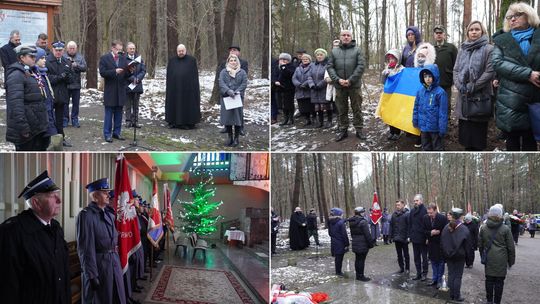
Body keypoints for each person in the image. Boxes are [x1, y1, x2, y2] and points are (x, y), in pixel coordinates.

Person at [0, 171, 70, 303]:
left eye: (57, 195)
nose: (59, 200)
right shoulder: (12, 232)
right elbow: (7, 286)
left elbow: (63, 273)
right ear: (36, 203)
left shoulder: (55, 227)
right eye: (52, 196)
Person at [492, 2, 540, 151]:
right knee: (512, 141)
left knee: (530, 142)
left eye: (517, 15)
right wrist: (528, 74)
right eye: (509, 17)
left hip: (535, 97)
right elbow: (498, 63)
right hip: (510, 99)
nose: (512, 19)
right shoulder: (502, 40)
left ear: (529, 16)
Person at [77, 178, 127, 304]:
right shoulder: (86, 216)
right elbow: (86, 248)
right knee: (102, 299)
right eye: (104, 192)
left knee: (118, 297)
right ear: (95, 196)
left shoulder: (110, 214)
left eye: (108, 192)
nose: (108, 195)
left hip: (113, 263)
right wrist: (92, 275)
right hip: (100, 266)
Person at [453, 21, 495, 151]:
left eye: (477, 29)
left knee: (478, 132)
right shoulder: (462, 49)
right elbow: (456, 70)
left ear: (482, 31)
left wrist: (474, 86)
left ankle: (477, 150)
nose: (474, 32)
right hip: (464, 95)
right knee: (466, 132)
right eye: (471, 30)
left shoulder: (489, 49)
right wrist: (459, 85)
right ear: (468, 33)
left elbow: (490, 71)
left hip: (480, 95)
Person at [5, 44, 49, 151]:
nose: (35, 59)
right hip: (27, 131)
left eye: (35, 56)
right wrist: (24, 128)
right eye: (31, 57)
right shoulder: (16, 75)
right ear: (22, 57)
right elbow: (16, 105)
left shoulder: (31, 72)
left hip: (36, 127)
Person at [327, 29, 366, 141]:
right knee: (341, 109)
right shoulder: (334, 51)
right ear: (340, 37)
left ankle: (359, 130)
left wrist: (350, 80)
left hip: (354, 85)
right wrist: (337, 80)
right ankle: (343, 130)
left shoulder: (357, 50)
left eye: (348, 35)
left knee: (357, 108)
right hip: (339, 86)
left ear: (351, 37)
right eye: (343, 35)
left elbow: (361, 66)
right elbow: (330, 67)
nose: (346, 37)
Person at [479, 204, 515, 304]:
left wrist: (483, 256)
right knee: (499, 282)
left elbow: (480, 245)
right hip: (501, 260)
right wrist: (511, 262)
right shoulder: (506, 229)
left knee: (489, 280)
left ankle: (489, 301)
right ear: (500, 215)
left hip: (489, 259)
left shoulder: (483, 228)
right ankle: (497, 302)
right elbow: (511, 248)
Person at [99, 40, 131, 143]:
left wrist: (130, 71)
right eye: (117, 50)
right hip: (110, 90)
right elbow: (102, 72)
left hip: (121, 90)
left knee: (119, 113)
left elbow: (126, 75)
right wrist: (114, 71)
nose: (119, 52)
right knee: (109, 113)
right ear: (112, 48)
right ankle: (107, 134)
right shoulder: (104, 58)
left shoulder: (123, 58)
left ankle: (117, 132)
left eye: (121, 50)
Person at [165, 44, 201, 129]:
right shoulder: (172, 61)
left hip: (187, 89)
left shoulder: (191, 60)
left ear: (185, 50)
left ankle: (187, 123)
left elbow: (194, 76)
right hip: (174, 88)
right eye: (179, 51)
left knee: (187, 105)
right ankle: (173, 122)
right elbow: (169, 75)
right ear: (177, 51)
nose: (181, 52)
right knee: (174, 104)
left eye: (182, 51)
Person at [412, 65, 448, 151]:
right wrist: (415, 120)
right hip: (423, 127)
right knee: (425, 146)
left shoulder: (440, 92)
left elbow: (443, 113)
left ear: (435, 76)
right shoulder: (420, 91)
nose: (427, 79)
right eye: (425, 76)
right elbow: (416, 107)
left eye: (430, 76)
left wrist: (442, 128)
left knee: (437, 147)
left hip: (435, 128)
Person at [46, 41, 74, 147]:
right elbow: (47, 78)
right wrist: (60, 77)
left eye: (60, 50)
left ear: (63, 51)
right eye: (56, 50)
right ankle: (49, 138)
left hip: (62, 95)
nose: (58, 52)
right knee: (49, 118)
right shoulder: (47, 61)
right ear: (53, 50)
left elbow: (72, 79)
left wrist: (67, 76)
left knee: (60, 119)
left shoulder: (66, 62)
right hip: (51, 94)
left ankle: (61, 138)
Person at [441, 208, 471, 302]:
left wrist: (446, 254)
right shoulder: (464, 229)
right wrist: (468, 259)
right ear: (461, 216)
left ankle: (451, 295)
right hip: (459, 257)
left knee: (451, 275)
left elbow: (442, 243)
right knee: (457, 276)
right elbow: (468, 247)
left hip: (449, 256)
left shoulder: (446, 228)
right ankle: (456, 296)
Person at [34, 47, 62, 150]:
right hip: (43, 115)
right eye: (42, 58)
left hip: (49, 112)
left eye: (45, 58)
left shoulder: (43, 74)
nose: (45, 60)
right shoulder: (35, 76)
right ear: (35, 59)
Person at [218, 45, 249, 135]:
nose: (232, 51)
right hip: (226, 92)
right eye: (231, 50)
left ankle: (240, 128)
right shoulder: (224, 63)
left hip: (238, 92)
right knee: (227, 111)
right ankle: (226, 127)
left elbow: (244, 78)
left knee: (238, 111)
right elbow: (220, 77)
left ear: (238, 52)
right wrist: (226, 90)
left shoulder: (243, 63)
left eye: (234, 50)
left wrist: (237, 91)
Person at [381, 49, 405, 140]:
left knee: (396, 114)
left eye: (393, 59)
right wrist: (384, 74)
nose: (391, 61)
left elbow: (403, 82)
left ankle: (397, 132)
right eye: (390, 59)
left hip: (398, 95)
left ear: (397, 59)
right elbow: (383, 82)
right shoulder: (387, 68)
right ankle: (391, 131)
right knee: (389, 113)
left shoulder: (401, 69)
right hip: (388, 95)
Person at [433, 25, 458, 111]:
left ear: (444, 35)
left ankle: (446, 122)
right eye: (437, 33)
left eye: (440, 33)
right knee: (434, 104)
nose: (439, 35)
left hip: (447, 81)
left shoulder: (451, 48)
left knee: (445, 104)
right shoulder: (431, 48)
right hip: (433, 82)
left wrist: (455, 79)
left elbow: (456, 64)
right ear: (434, 35)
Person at [423, 203, 448, 288]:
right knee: (433, 262)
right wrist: (431, 233)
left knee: (440, 263)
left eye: (431, 213)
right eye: (428, 213)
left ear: (436, 210)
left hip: (440, 244)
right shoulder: (425, 218)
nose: (430, 215)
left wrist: (439, 232)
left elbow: (446, 231)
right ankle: (434, 279)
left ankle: (440, 280)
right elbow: (423, 231)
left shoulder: (442, 218)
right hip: (431, 244)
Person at [64, 41, 87, 128]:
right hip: (65, 84)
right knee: (65, 103)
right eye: (70, 48)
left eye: (73, 48)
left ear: (76, 49)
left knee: (76, 104)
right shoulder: (63, 56)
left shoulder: (80, 57)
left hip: (76, 84)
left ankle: (75, 119)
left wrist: (76, 65)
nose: (72, 50)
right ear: (67, 49)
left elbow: (84, 68)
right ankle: (65, 120)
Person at [123, 42, 146, 129]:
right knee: (128, 105)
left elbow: (143, 70)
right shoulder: (124, 59)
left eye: (133, 48)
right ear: (127, 49)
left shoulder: (139, 59)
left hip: (137, 84)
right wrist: (132, 78)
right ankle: (128, 121)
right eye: (130, 49)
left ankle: (135, 121)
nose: (132, 50)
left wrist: (138, 78)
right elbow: (124, 72)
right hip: (128, 85)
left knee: (136, 105)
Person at [348, 207, 373, 281]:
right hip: (363, 243)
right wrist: (370, 244)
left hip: (355, 242)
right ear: (360, 213)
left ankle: (358, 275)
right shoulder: (363, 222)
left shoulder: (351, 221)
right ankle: (361, 276)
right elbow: (367, 234)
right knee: (361, 260)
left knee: (357, 259)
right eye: (363, 212)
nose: (364, 213)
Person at [409, 194, 429, 281]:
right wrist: (410, 235)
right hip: (414, 238)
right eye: (414, 201)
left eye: (416, 201)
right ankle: (418, 274)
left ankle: (425, 273)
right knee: (416, 257)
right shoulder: (412, 211)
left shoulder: (425, 211)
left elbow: (427, 226)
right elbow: (410, 223)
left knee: (424, 257)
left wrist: (427, 238)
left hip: (423, 238)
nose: (415, 202)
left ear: (421, 201)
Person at [308, 48, 330, 128]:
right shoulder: (313, 65)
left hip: (324, 88)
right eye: (318, 55)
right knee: (318, 107)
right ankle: (320, 122)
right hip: (314, 89)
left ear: (325, 55)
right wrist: (312, 85)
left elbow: (328, 76)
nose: (319, 56)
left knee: (326, 106)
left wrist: (320, 85)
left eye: (321, 55)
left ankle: (329, 121)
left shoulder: (327, 64)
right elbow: (309, 76)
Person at [292, 54, 314, 126]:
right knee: (303, 107)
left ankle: (314, 118)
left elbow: (312, 77)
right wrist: (298, 84)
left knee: (311, 106)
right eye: (303, 59)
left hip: (309, 90)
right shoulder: (298, 68)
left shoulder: (312, 67)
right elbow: (294, 78)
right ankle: (307, 119)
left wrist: (305, 84)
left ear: (309, 60)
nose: (305, 60)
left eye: (306, 59)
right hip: (300, 90)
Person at [390, 199, 410, 273]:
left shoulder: (407, 214)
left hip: (404, 238)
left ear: (403, 205)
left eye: (398, 205)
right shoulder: (394, 214)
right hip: (396, 238)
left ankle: (407, 268)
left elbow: (409, 226)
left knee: (406, 254)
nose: (397, 206)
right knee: (399, 254)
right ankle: (401, 268)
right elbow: (391, 226)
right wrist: (391, 236)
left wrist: (408, 236)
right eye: (396, 205)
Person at [276, 53, 296, 126]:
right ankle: (285, 119)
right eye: (281, 59)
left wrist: (284, 67)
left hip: (289, 88)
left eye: (284, 59)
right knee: (283, 104)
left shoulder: (291, 67)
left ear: (288, 60)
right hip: (280, 88)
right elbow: (277, 75)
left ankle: (291, 119)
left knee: (289, 104)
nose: (282, 61)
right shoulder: (278, 67)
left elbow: (290, 74)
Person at [328, 207, 349, 276]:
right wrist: (347, 244)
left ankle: (338, 271)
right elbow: (344, 235)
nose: (342, 215)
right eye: (342, 214)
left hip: (334, 242)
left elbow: (329, 233)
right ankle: (338, 272)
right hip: (340, 243)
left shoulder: (330, 221)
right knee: (339, 258)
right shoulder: (340, 223)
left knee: (337, 258)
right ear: (339, 214)